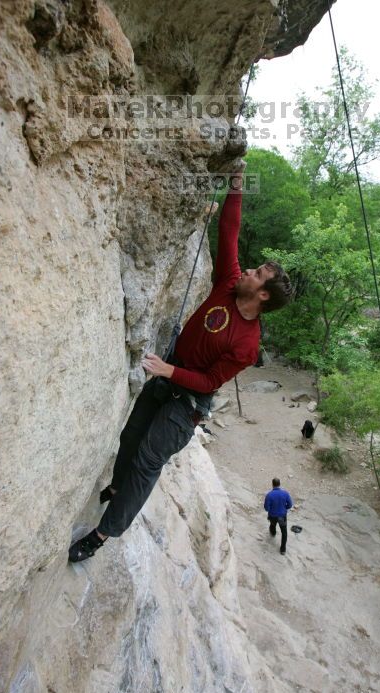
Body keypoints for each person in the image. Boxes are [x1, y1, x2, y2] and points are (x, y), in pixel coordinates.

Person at [69, 160, 293, 562]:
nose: (249, 269)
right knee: (129, 438)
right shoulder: (229, 283)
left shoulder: (247, 344)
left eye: (257, 273)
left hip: (186, 403)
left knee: (147, 461)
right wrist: (237, 184)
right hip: (168, 377)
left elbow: (209, 383)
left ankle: (104, 533)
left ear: (263, 296)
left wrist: (168, 370)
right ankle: (116, 492)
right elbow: (229, 231)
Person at [264, 478, 293, 555]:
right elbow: (290, 505)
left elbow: (266, 508)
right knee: (284, 532)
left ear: (272, 484)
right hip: (282, 516)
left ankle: (273, 533)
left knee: (272, 524)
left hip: (273, 516)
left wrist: (271, 509)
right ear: (280, 484)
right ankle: (283, 549)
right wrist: (284, 508)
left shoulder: (269, 495)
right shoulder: (285, 493)